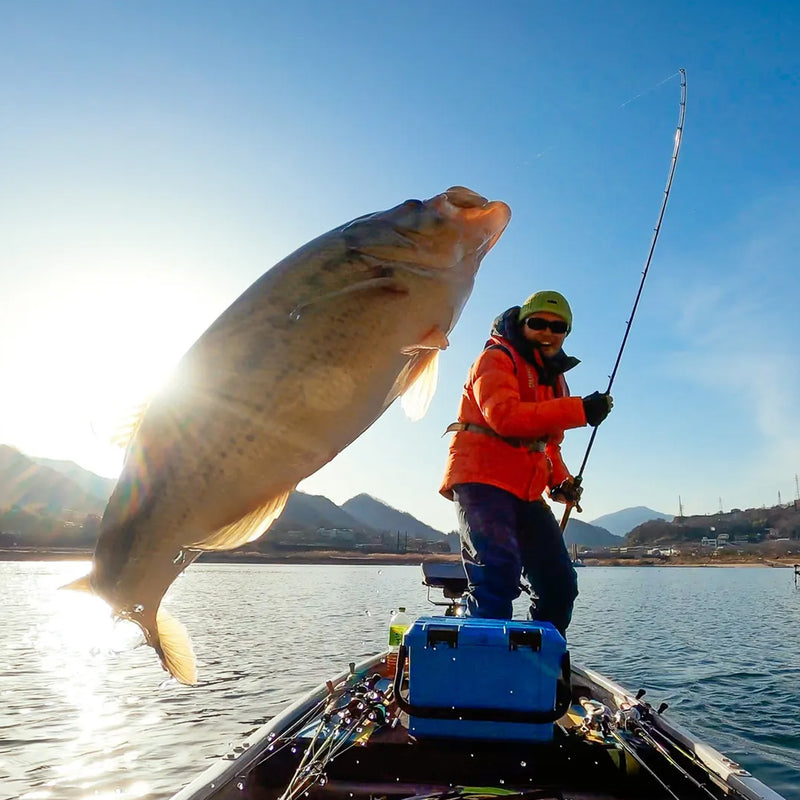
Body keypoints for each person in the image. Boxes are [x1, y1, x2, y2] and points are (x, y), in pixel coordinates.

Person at [439, 290, 613, 636]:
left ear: (566, 333)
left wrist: (559, 482)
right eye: (538, 323)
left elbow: (549, 445)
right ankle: (482, 663)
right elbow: (504, 416)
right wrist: (580, 410)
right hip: (481, 479)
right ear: (522, 324)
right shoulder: (495, 358)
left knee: (559, 584)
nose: (548, 332)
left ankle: (537, 659)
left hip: (526, 491)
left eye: (558, 327)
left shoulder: (555, 379)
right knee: (496, 575)